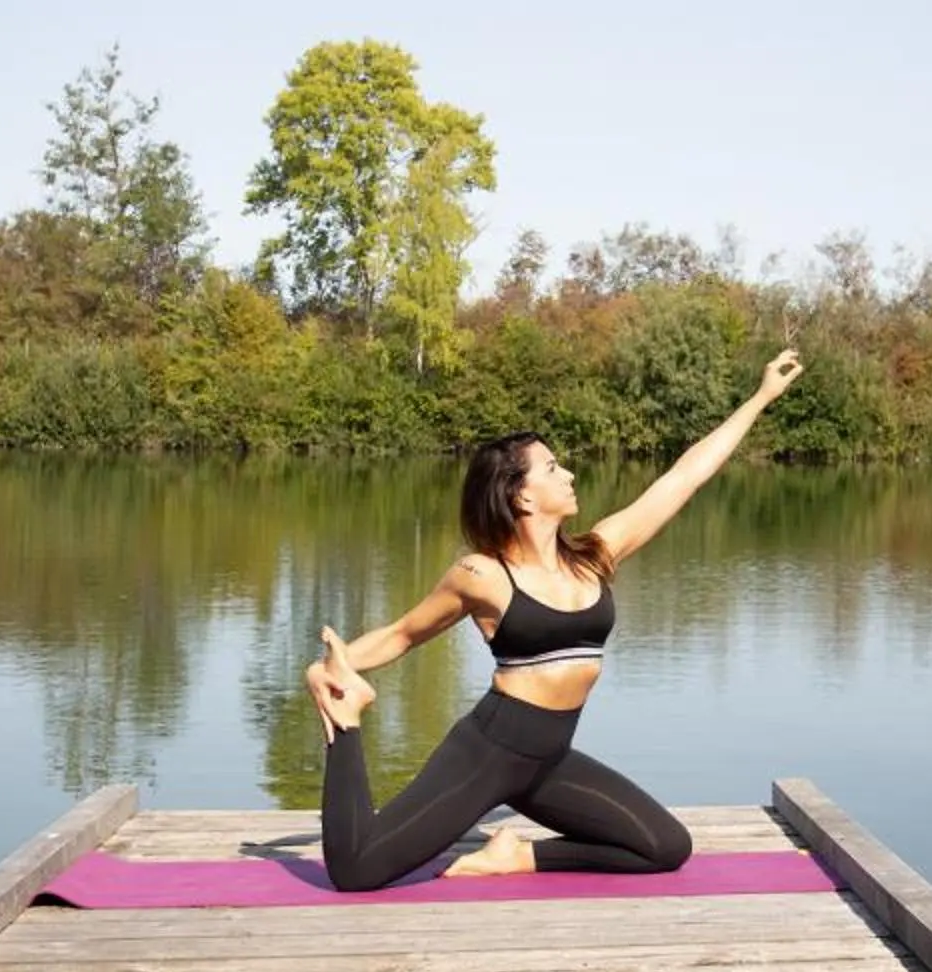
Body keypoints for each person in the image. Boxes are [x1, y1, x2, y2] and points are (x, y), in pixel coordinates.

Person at [301, 348, 804, 891]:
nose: (568, 474)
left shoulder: (595, 556)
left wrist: (760, 398)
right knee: (355, 870)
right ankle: (346, 722)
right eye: (552, 468)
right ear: (521, 495)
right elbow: (404, 633)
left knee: (664, 847)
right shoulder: (484, 574)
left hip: (548, 761)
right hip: (488, 753)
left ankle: (517, 856)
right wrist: (339, 665)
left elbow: (683, 479)